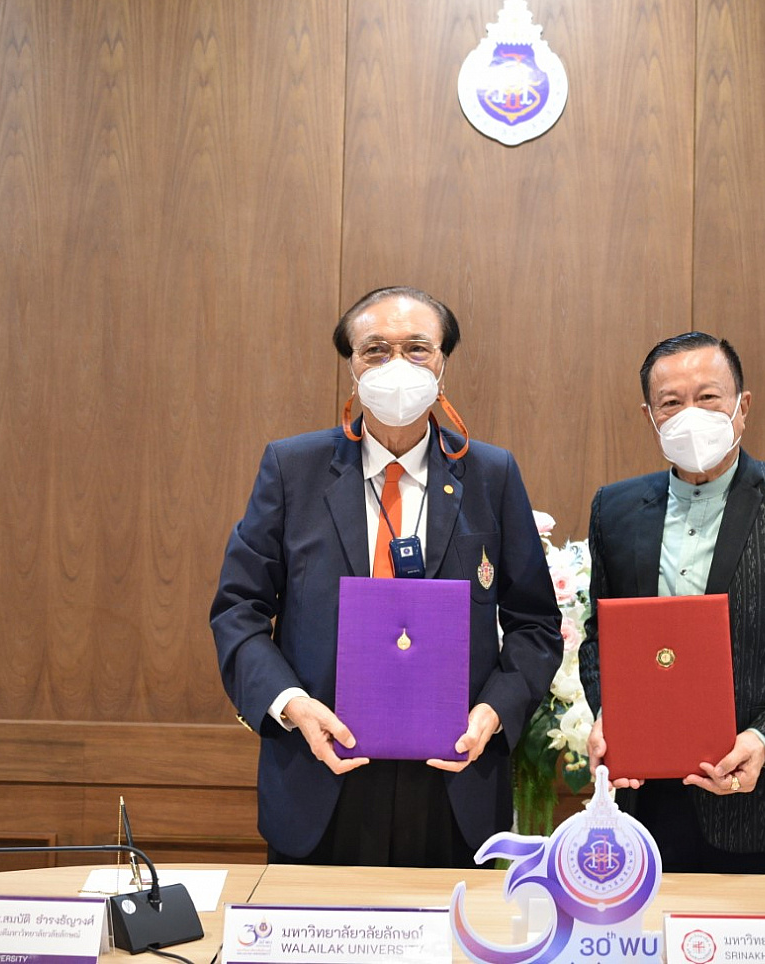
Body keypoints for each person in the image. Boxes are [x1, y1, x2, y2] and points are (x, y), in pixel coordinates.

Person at [211, 286, 562, 866]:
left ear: (443, 364)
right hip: (321, 773)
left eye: (417, 348)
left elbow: (535, 624)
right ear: (352, 367)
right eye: (375, 350)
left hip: (454, 781)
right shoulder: (292, 469)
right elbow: (238, 611)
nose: (397, 364)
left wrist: (494, 712)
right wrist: (292, 705)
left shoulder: (491, 474)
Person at [578, 331, 765, 874]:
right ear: (650, 417)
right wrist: (609, 715)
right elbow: (600, 637)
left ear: (743, 406)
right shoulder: (615, 508)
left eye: (708, 397)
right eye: (671, 402)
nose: (690, 414)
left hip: (763, 803)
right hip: (642, 805)